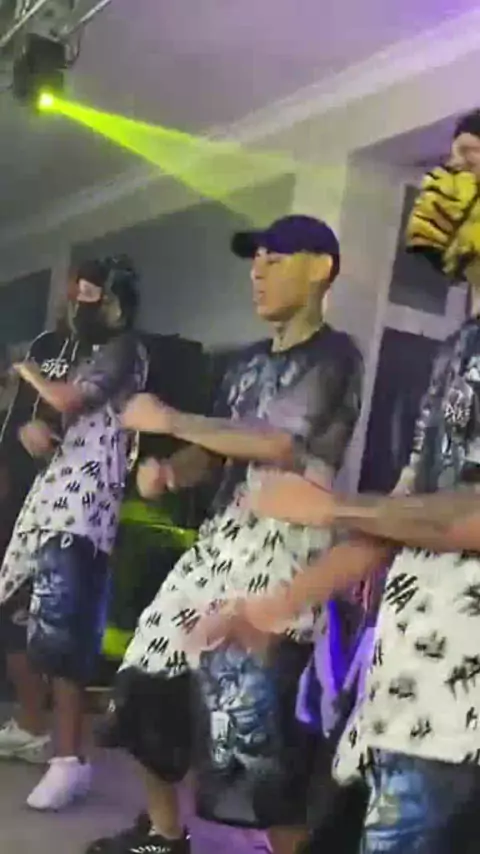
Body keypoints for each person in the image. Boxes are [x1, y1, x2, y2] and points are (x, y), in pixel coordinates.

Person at [202, 111, 480, 853]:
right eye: (451, 163)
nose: (447, 183)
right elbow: (405, 511)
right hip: (417, 677)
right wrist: (275, 604)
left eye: (471, 164)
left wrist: (330, 507)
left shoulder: (338, 358)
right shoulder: (458, 348)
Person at [86, 214, 363, 854]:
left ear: (320, 269)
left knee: (253, 737)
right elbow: (215, 451)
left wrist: (171, 419)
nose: (257, 272)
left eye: (275, 258)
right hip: (218, 544)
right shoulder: (244, 362)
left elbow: (278, 443)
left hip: (284, 550)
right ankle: (164, 835)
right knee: (141, 686)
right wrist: (170, 472)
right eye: (255, 260)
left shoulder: (335, 356)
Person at [0, 255, 148, 811]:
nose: (75, 301)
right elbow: (64, 417)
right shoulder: (84, 352)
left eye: (87, 292)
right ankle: (33, 726)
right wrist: (37, 432)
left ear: (113, 301)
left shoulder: (124, 348)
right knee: (11, 602)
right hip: (51, 494)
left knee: (66, 629)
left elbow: (70, 399)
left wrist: (26, 369)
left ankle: (70, 761)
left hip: (86, 505)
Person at [0, 279, 86, 763]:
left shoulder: (104, 356)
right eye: (68, 294)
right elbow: (18, 414)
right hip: (15, 491)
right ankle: (30, 722)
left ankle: (44, 732)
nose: (70, 302)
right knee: (9, 612)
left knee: (34, 616)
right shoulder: (44, 345)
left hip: (56, 500)